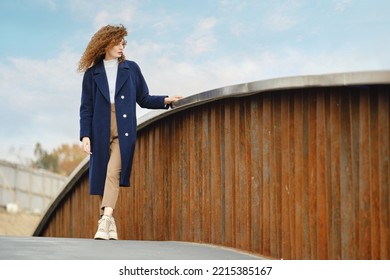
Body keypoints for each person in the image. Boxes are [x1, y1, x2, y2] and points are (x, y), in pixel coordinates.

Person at [78, 24, 181, 240]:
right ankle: (110, 226)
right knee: (102, 176)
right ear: (104, 44)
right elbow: (86, 107)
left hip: (124, 129)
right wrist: (85, 135)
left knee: (113, 172)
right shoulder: (91, 74)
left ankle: (105, 219)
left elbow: (143, 98)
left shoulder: (131, 69)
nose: (120, 46)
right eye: (116, 42)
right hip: (99, 128)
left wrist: (165, 100)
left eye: (122, 43)